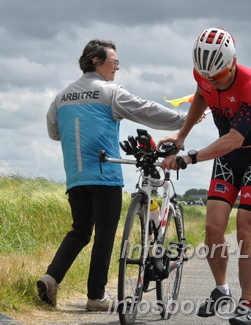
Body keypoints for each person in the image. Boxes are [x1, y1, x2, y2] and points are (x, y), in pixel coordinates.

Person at [39, 39, 186, 311]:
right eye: (114, 63)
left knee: (80, 231)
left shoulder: (60, 96)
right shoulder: (109, 92)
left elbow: (53, 133)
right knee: (105, 235)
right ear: (97, 61)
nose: (117, 69)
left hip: (75, 176)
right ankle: (96, 296)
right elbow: (145, 109)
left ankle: (51, 278)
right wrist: (182, 120)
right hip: (105, 174)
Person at [158, 27, 251, 325]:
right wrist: (182, 135)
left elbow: (235, 138)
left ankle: (246, 303)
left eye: (219, 77)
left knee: (245, 230)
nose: (213, 81)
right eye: (206, 76)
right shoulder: (204, 75)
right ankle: (221, 290)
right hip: (226, 157)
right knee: (213, 227)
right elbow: (201, 95)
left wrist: (190, 157)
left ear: (233, 62)